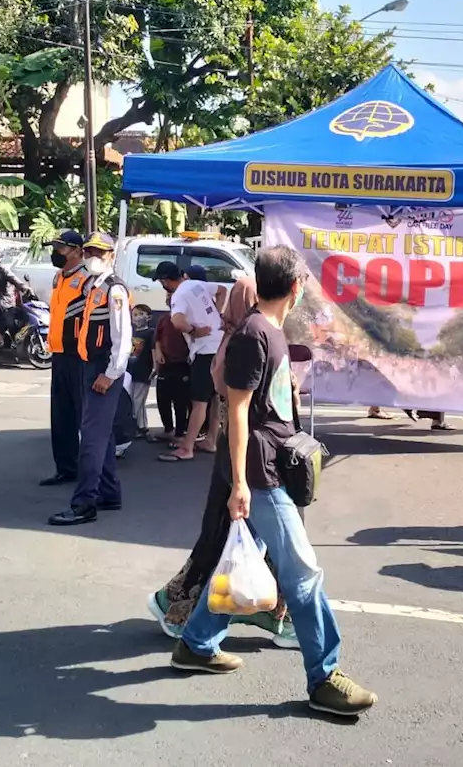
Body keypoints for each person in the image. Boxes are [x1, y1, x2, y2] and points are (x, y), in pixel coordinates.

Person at [170, 245, 377, 718]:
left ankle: (197, 643)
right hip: (260, 474)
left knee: (247, 557)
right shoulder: (253, 335)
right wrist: (240, 483)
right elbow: (237, 412)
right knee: (302, 573)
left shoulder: (271, 332)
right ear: (295, 286)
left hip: (270, 465)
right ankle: (324, 677)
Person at [148, 274, 297, 647]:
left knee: (229, 543)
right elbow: (240, 407)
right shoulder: (246, 340)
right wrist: (242, 478)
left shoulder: (246, 335)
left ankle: (193, 617)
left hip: (246, 457)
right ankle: (197, 627)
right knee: (242, 546)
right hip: (250, 458)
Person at [48, 232, 131, 526]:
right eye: (89, 251)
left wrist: (109, 375)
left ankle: (84, 504)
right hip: (88, 365)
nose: (93, 256)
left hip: (102, 370)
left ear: (111, 256)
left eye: (100, 252)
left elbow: (123, 340)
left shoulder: (113, 289)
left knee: (92, 440)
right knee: (102, 436)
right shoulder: (93, 286)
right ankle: (109, 494)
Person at [155, 261, 223, 463]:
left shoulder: (179, 295)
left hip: (204, 350)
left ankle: (187, 447)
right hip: (218, 344)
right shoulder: (197, 284)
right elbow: (221, 291)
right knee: (214, 398)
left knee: (199, 401)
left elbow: (177, 321)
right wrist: (216, 317)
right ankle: (211, 440)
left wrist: (194, 330)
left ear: (165, 281)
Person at [40, 230, 93, 487]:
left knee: (86, 414)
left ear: (75, 250)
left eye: (60, 248)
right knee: (61, 415)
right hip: (59, 353)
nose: (55, 253)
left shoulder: (88, 278)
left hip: (80, 355)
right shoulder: (58, 277)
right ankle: (65, 468)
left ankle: (93, 470)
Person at [151, 299, 191, 442]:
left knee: (180, 401)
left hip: (182, 364)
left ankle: (180, 434)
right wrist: (159, 354)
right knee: (162, 399)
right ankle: (168, 429)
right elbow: (157, 340)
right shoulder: (164, 319)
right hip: (165, 364)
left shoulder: (190, 319)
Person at [127, 306, 156, 438]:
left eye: (141, 314)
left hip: (144, 370)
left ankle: (135, 426)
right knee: (133, 399)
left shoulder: (150, 333)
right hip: (131, 371)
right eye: (135, 314)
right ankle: (142, 425)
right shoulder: (131, 333)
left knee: (138, 399)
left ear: (148, 317)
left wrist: (155, 367)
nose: (137, 317)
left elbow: (154, 351)